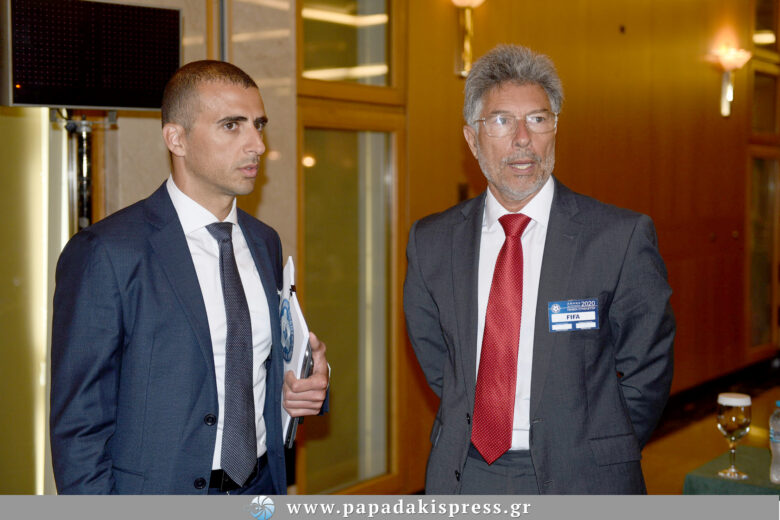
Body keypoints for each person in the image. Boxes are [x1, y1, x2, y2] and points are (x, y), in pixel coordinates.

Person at [403, 44, 674, 494]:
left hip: (586, 477)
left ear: (555, 130)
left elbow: (649, 367)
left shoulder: (618, 238)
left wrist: (602, 446)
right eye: (501, 121)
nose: (522, 139)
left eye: (537, 119)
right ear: (472, 138)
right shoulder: (432, 241)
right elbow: (439, 362)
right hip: (467, 473)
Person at [50, 60, 329, 495]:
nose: (257, 144)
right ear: (176, 138)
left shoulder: (263, 242)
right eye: (232, 126)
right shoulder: (106, 252)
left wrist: (306, 385)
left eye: (258, 125)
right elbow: (79, 427)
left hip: (260, 488)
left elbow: (255, 368)